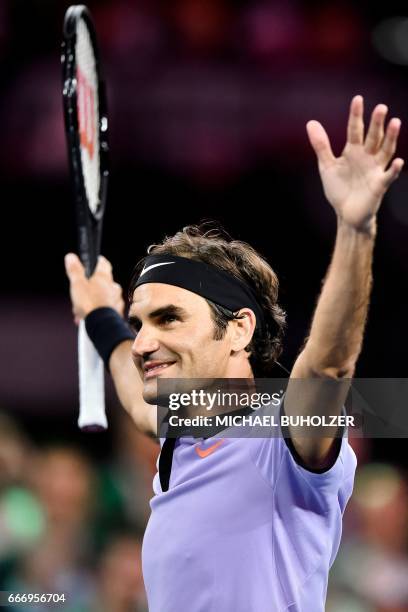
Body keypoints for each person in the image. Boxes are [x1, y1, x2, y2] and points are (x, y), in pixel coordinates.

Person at [64, 95, 403, 611]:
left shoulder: (285, 432)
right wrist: (102, 319)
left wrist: (355, 230)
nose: (145, 343)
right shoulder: (179, 432)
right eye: (140, 323)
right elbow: (139, 404)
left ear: (239, 329)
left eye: (169, 318)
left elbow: (329, 364)